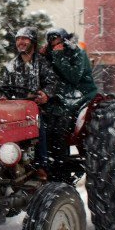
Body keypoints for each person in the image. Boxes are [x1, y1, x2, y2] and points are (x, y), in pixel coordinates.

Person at [0, 27, 58, 180]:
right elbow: (3, 88)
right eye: (18, 39)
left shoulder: (42, 63)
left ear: (32, 42)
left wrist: (45, 94)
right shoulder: (10, 66)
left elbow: (52, 83)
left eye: (25, 39)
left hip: (38, 109)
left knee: (40, 126)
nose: (21, 42)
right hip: (14, 110)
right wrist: (3, 98)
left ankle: (41, 166)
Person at [42, 28, 98, 180]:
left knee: (61, 122)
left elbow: (73, 76)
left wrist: (58, 56)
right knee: (43, 121)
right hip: (60, 96)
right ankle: (46, 165)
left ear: (64, 40)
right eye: (51, 39)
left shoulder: (77, 53)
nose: (54, 42)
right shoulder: (51, 54)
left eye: (56, 38)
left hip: (81, 94)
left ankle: (62, 168)